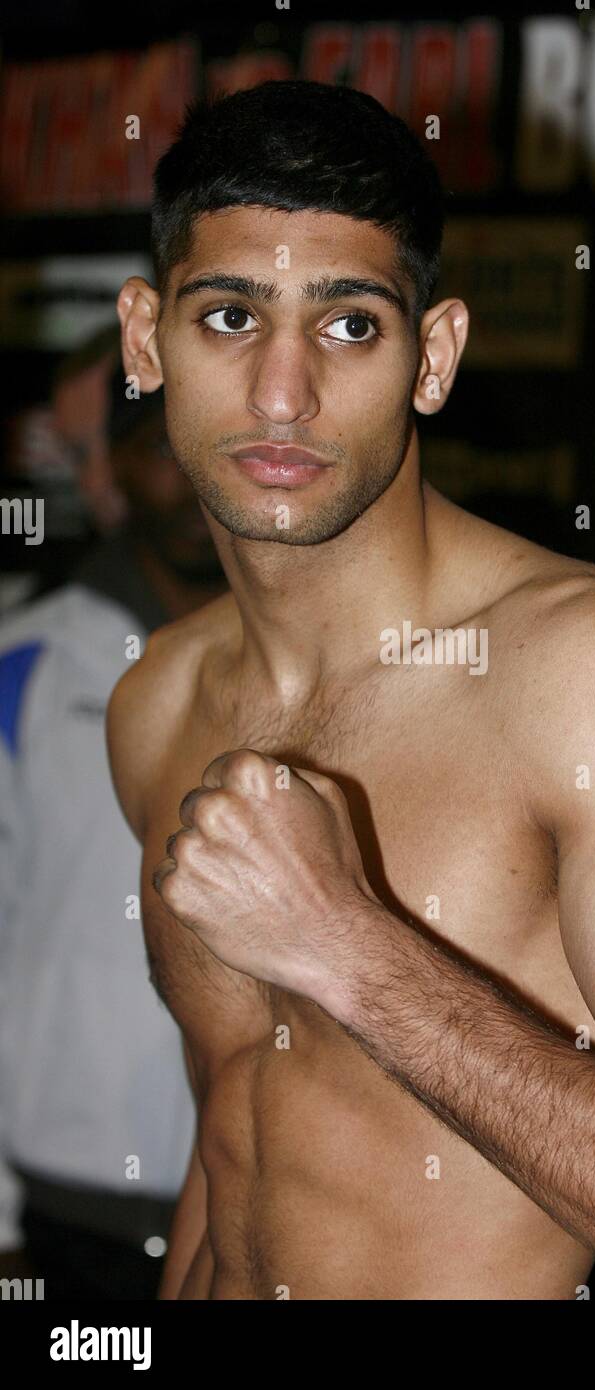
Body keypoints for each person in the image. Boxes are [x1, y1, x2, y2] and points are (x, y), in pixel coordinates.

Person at [108, 79, 595, 1301]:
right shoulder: (161, 698)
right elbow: (240, 1133)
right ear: (142, 338)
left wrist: (347, 945)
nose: (282, 394)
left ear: (433, 357)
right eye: (228, 317)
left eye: (347, 326)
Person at [0, 359, 225, 1298]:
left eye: (212, 443)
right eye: (160, 447)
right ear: (114, 472)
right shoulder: (26, 661)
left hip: (271, 1215)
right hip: (63, 1216)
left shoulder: (344, 670)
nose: (190, 472)